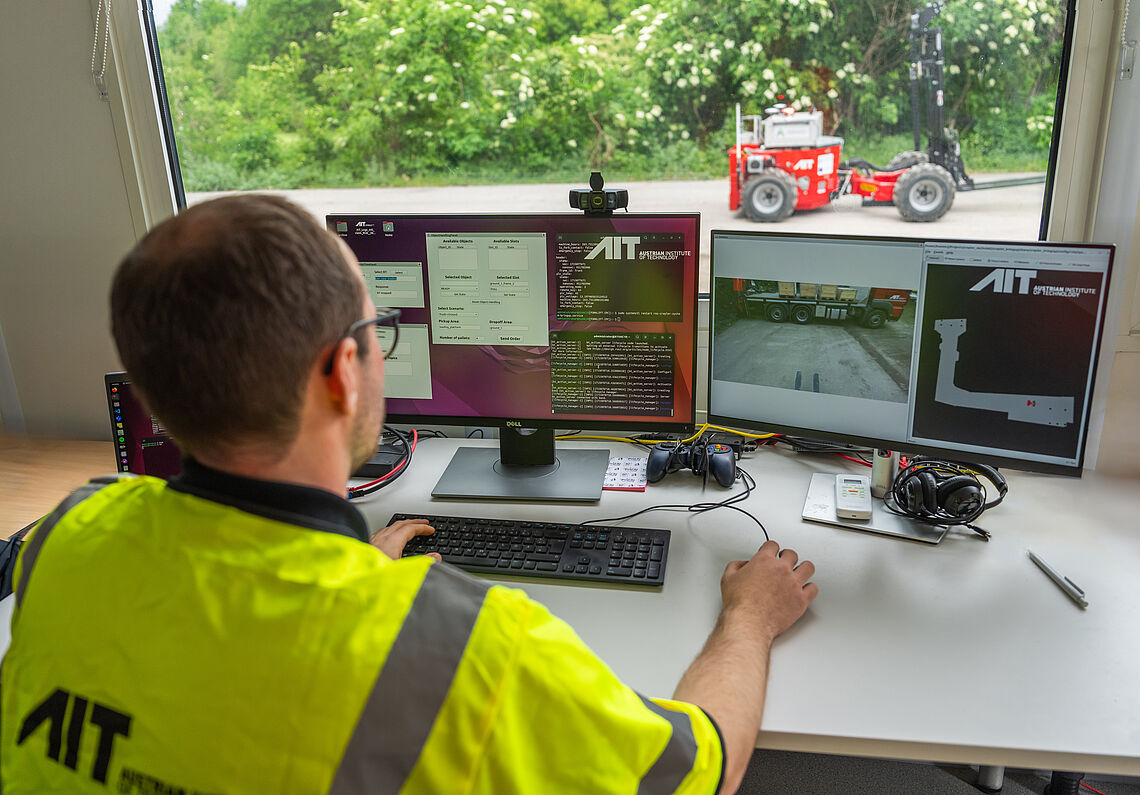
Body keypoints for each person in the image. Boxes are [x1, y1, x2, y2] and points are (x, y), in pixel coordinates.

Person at [0, 195, 817, 793]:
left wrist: (350, 573)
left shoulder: (64, 535)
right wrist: (751, 614)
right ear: (341, 372)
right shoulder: (460, 646)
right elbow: (700, 769)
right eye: (375, 331)